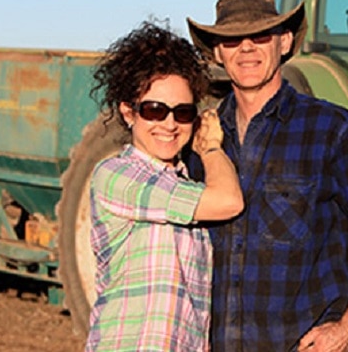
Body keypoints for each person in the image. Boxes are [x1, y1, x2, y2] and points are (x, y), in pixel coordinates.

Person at [186, 0, 348, 351]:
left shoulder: (334, 131)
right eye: (232, 39)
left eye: (260, 35)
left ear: (285, 41)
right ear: (216, 52)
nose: (246, 48)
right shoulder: (197, 141)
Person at [85, 21, 244, 351]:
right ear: (129, 113)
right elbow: (228, 201)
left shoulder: (184, 184)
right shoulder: (118, 175)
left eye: (183, 112)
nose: (169, 124)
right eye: (154, 110)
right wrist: (211, 147)